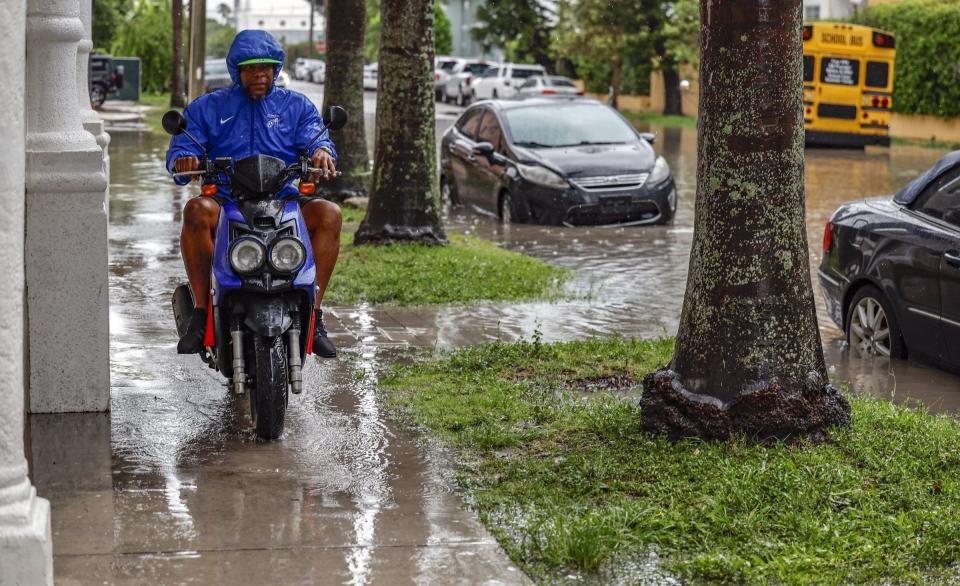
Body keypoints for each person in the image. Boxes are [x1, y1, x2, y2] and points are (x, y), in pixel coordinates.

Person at [166, 30, 341, 358]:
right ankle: (202, 313)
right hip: (228, 198)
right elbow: (184, 145)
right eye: (249, 68)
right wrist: (185, 159)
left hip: (284, 198)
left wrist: (320, 151)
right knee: (195, 210)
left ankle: (315, 315)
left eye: (265, 67)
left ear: (276, 70)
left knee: (330, 214)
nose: (258, 74)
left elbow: (317, 137)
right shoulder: (209, 107)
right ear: (236, 71)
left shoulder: (296, 106)